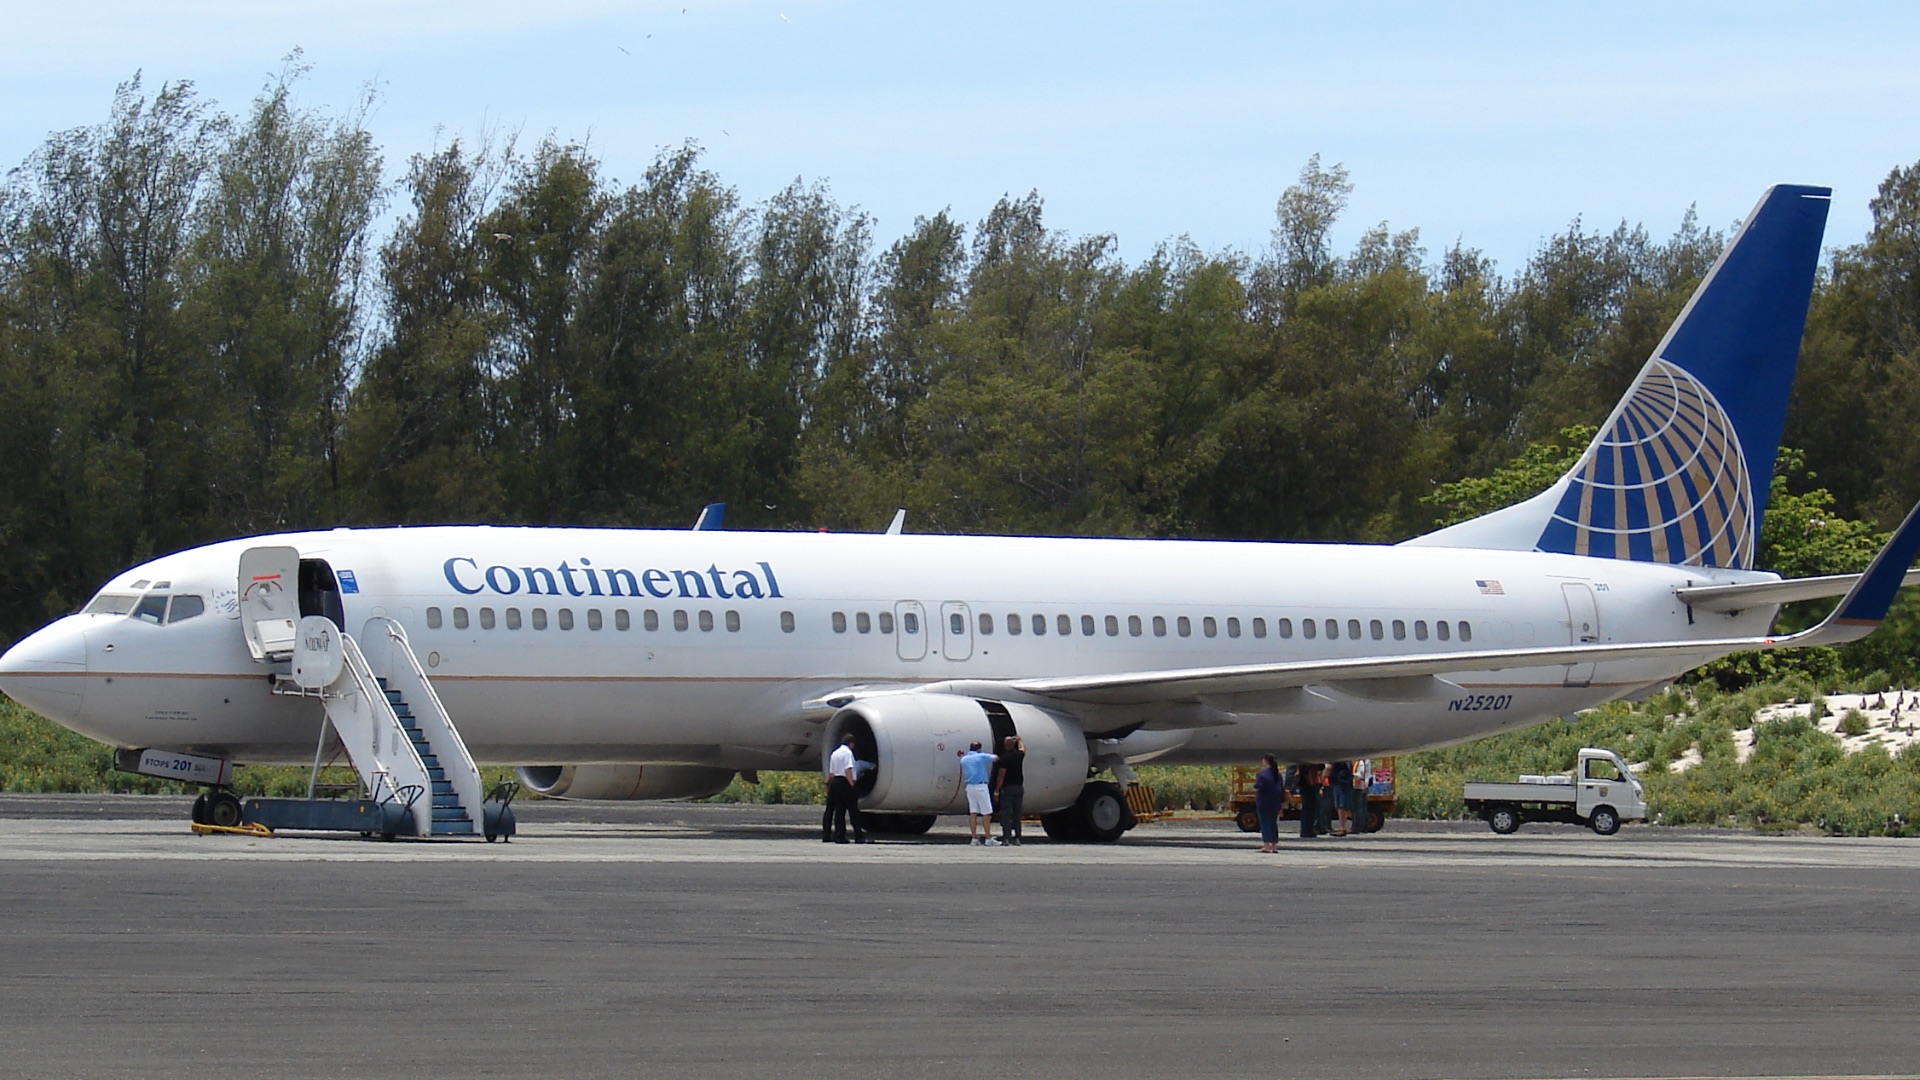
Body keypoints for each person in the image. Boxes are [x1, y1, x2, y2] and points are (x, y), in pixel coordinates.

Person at [822, 733, 865, 844]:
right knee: (853, 810)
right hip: (844, 782)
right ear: (851, 743)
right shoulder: (848, 753)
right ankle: (858, 836)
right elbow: (848, 770)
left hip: (834, 781)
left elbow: (831, 772)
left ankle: (832, 835)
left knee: (834, 810)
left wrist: (826, 783)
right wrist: (851, 784)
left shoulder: (835, 753)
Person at [957, 741, 999, 845]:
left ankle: (974, 838)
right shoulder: (981, 756)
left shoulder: (964, 759)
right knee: (986, 813)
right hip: (981, 786)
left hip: (970, 787)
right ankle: (988, 838)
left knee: (973, 813)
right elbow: (996, 758)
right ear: (979, 748)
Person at [995, 735, 1027, 845]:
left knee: (1006, 814)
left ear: (1004, 746)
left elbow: (1001, 777)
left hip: (1007, 788)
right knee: (1017, 814)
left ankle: (1007, 837)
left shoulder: (1004, 759)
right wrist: (1019, 740)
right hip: (1018, 787)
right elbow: (1023, 749)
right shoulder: (1018, 756)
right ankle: (1017, 837)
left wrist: (996, 790)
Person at [1253, 754, 1285, 853]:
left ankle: (1266, 845)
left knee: (1265, 823)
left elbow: (1257, 786)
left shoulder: (1262, 774)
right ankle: (1274, 846)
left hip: (1264, 801)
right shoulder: (1277, 774)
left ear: (1266, 761)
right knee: (1273, 823)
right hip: (1276, 802)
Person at [1297, 761, 1323, 838]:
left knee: (1312, 808)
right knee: (1308, 808)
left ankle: (1308, 828)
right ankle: (1306, 829)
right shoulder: (1305, 765)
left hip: (1313, 783)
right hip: (1307, 784)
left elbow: (1321, 766)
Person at [1329, 759, 1354, 836]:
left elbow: (1329, 767)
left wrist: (1323, 777)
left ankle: (1342, 827)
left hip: (1339, 781)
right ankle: (1343, 826)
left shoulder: (1339, 759)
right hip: (1343, 781)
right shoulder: (1348, 760)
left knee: (1340, 805)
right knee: (1342, 805)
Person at [1351, 757, 1375, 834]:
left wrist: (1351, 776)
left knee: (1358, 807)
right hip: (1363, 785)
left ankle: (1357, 826)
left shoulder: (1361, 762)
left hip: (1359, 786)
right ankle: (1363, 825)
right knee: (1362, 807)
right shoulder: (1366, 761)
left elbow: (1361, 774)